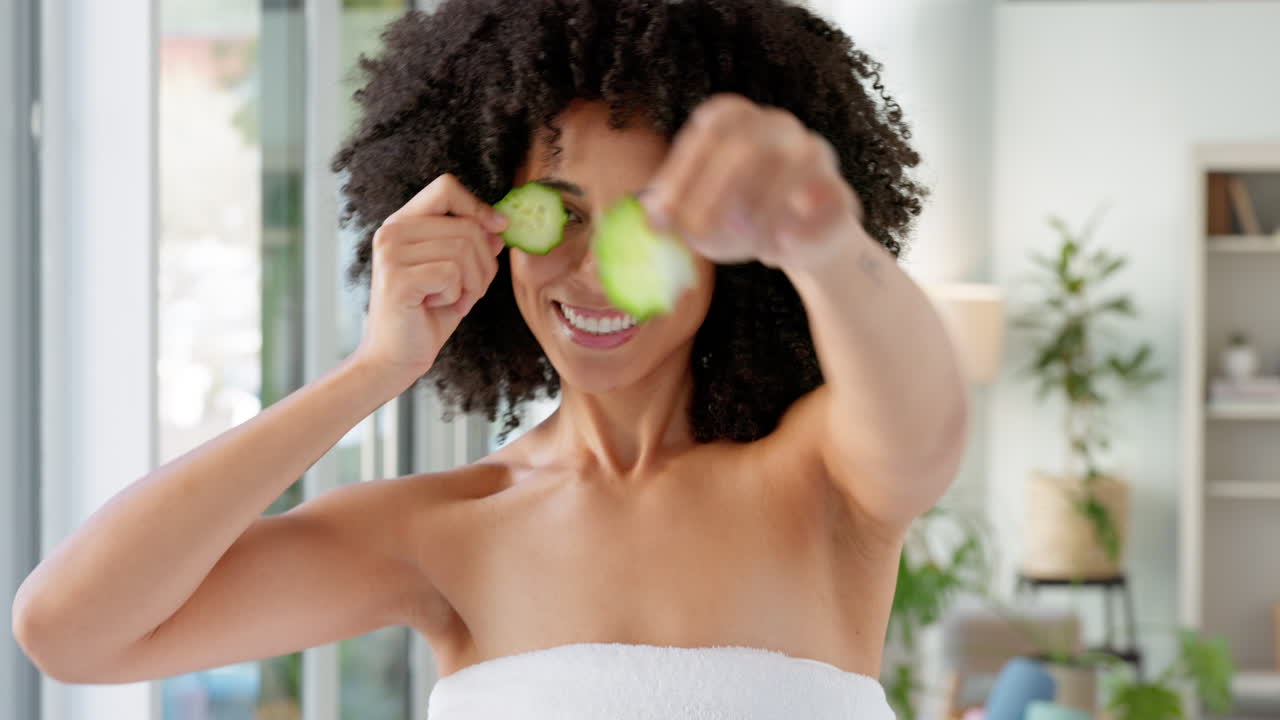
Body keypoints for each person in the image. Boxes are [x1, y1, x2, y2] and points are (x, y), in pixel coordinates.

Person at [13, 0, 968, 716]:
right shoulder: (450, 531)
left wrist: (823, 243)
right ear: (486, 217)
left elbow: (926, 426)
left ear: (727, 248)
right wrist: (374, 371)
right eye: (559, 211)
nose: (591, 273)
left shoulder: (818, 481)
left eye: (648, 225)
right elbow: (71, 629)